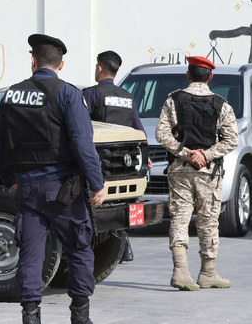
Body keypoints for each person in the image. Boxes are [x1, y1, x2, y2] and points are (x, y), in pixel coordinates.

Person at [0, 34, 105, 324]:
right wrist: (97, 183)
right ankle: (80, 315)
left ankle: (30, 316)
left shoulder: (11, 94)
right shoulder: (67, 94)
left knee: (31, 253)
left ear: (33, 61)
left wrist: (9, 180)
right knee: (79, 248)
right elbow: (82, 143)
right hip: (63, 190)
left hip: (27, 189)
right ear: (61, 64)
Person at [155, 56, 238, 291]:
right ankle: (208, 272)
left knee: (180, 217)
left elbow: (162, 135)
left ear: (188, 75)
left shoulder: (173, 99)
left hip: (180, 170)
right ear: (210, 77)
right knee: (209, 220)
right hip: (208, 173)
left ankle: (180, 271)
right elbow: (232, 139)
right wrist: (206, 155)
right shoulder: (221, 104)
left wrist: (185, 152)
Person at [82, 50, 152, 263]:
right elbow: (138, 129)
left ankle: (113, 247)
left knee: (96, 206)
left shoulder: (91, 94)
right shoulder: (127, 97)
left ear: (100, 68)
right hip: (126, 164)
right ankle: (124, 246)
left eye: (96, 66)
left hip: (101, 162)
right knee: (125, 203)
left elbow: (80, 127)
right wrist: (145, 157)